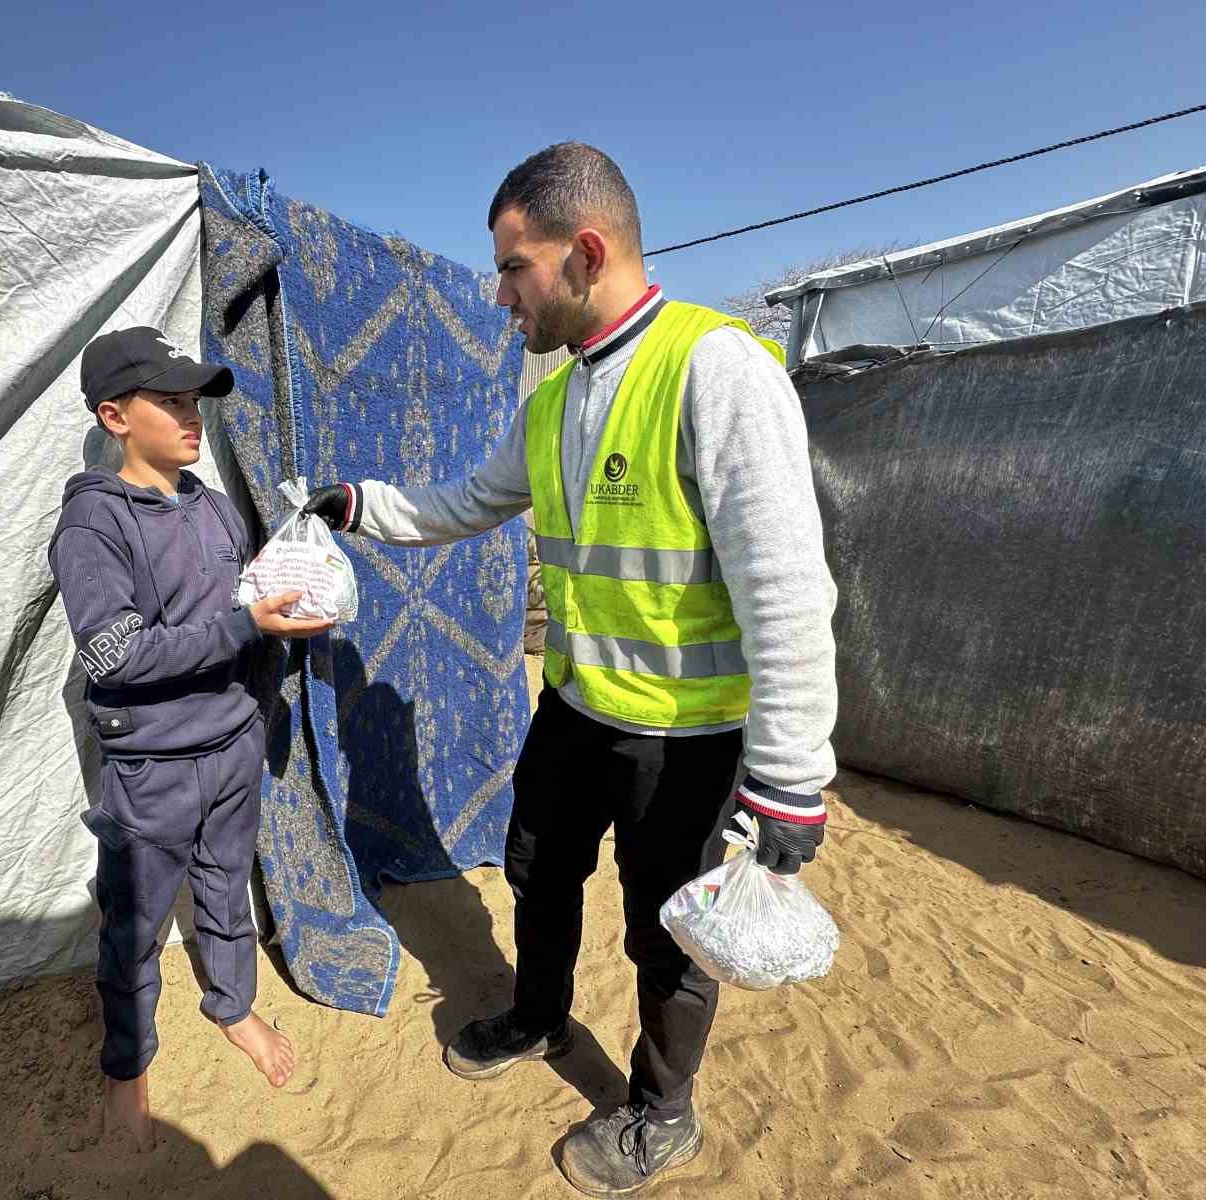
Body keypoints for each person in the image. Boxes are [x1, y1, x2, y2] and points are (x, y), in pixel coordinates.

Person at [302, 143, 837, 1197]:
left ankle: (659, 1110)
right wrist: (358, 504)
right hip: (579, 707)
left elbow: (787, 592)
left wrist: (788, 779)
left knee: (665, 935)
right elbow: (466, 502)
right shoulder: (552, 402)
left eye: (513, 267)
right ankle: (540, 1014)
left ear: (584, 253)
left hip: (687, 738)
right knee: (539, 866)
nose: (500, 293)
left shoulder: (715, 369)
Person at [48, 326, 331, 1151]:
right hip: (154, 768)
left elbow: (242, 610)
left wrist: (289, 607)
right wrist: (245, 622)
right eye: (168, 401)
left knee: (225, 890)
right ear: (115, 416)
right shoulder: (93, 527)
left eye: (193, 400)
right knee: (132, 927)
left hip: (233, 746)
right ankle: (127, 1071)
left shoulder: (210, 508)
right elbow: (116, 652)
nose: (190, 416)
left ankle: (235, 1009)